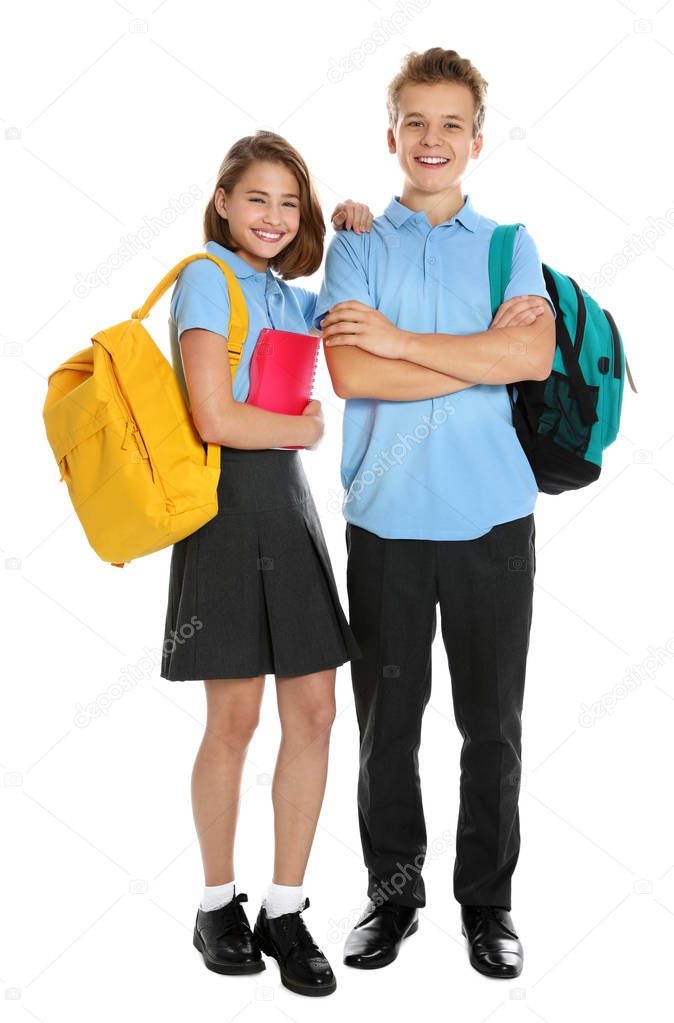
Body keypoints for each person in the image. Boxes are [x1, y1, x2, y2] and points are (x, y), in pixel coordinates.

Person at [313, 48, 556, 979]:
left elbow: (528, 362)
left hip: (493, 519)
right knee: (388, 725)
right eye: (416, 121)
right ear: (391, 135)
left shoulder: (510, 245)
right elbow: (351, 372)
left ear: (476, 143)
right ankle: (394, 889)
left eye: (451, 123)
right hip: (385, 522)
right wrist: (473, 352)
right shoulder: (357, 244)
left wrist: (405, 340)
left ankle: (487, 905)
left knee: (491, 723)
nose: (432, 138)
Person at [159, 129, 373, 997]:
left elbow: (344, 314)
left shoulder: (285, 296)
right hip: (225, 509)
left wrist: (357, 229)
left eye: (291, 202)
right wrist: (308, 428)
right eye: (258, 198)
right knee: (236, 720)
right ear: (222, 202)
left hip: (288, 509)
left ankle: (285, 908)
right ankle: (218, 903)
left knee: (316, 711)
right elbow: (214, 417)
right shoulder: (206, 278)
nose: (275, 216)